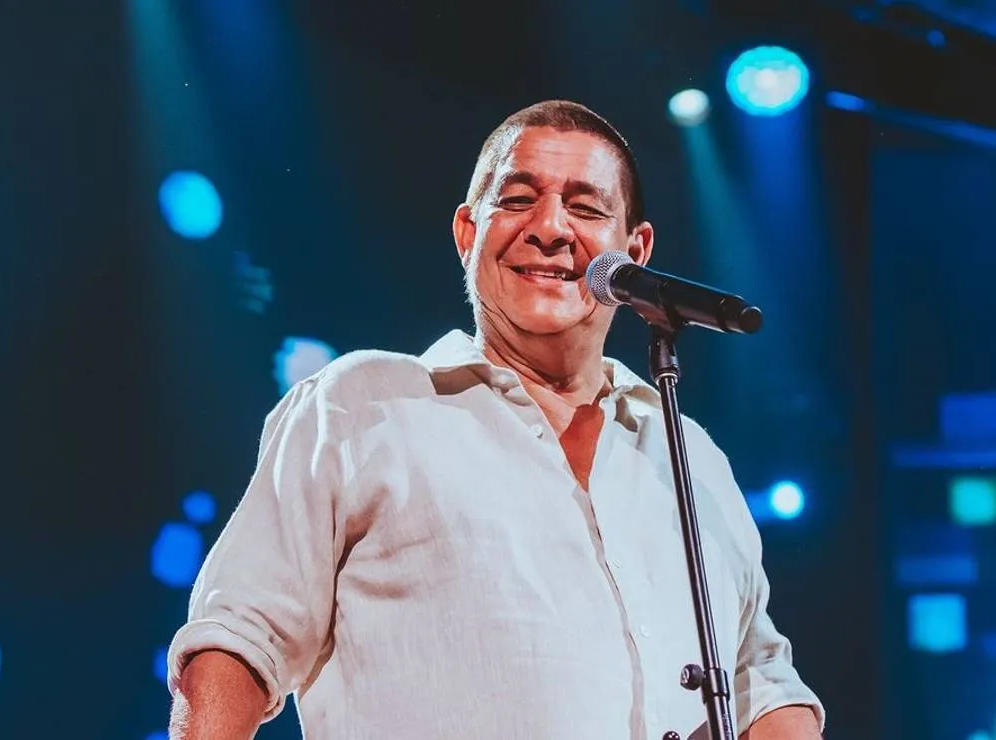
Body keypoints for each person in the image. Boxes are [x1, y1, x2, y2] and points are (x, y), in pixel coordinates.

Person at [166, 100, 825, 739]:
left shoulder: (689, 455)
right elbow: (241, 634)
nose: (550, 228)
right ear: (466, 233)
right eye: (517, 199)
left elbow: (757, 680)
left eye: (585, 207)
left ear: (636, 248)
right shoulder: (363, 404)